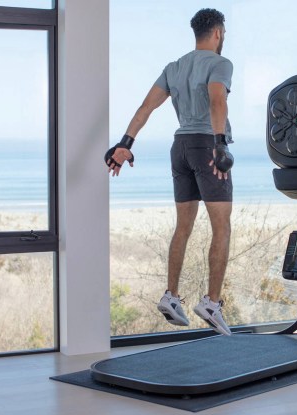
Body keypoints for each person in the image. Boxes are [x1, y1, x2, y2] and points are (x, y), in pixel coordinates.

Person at [105, 8, 234, 336]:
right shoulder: (220, 64)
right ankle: (212, 302)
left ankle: (171, 295)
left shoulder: (174, 68)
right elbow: (217, 101)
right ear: (218, 33)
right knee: (222, 228)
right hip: (207, 147)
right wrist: (220, 146)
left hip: (180, 149)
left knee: (183, 228)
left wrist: (124, 143)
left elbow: (146, 107)